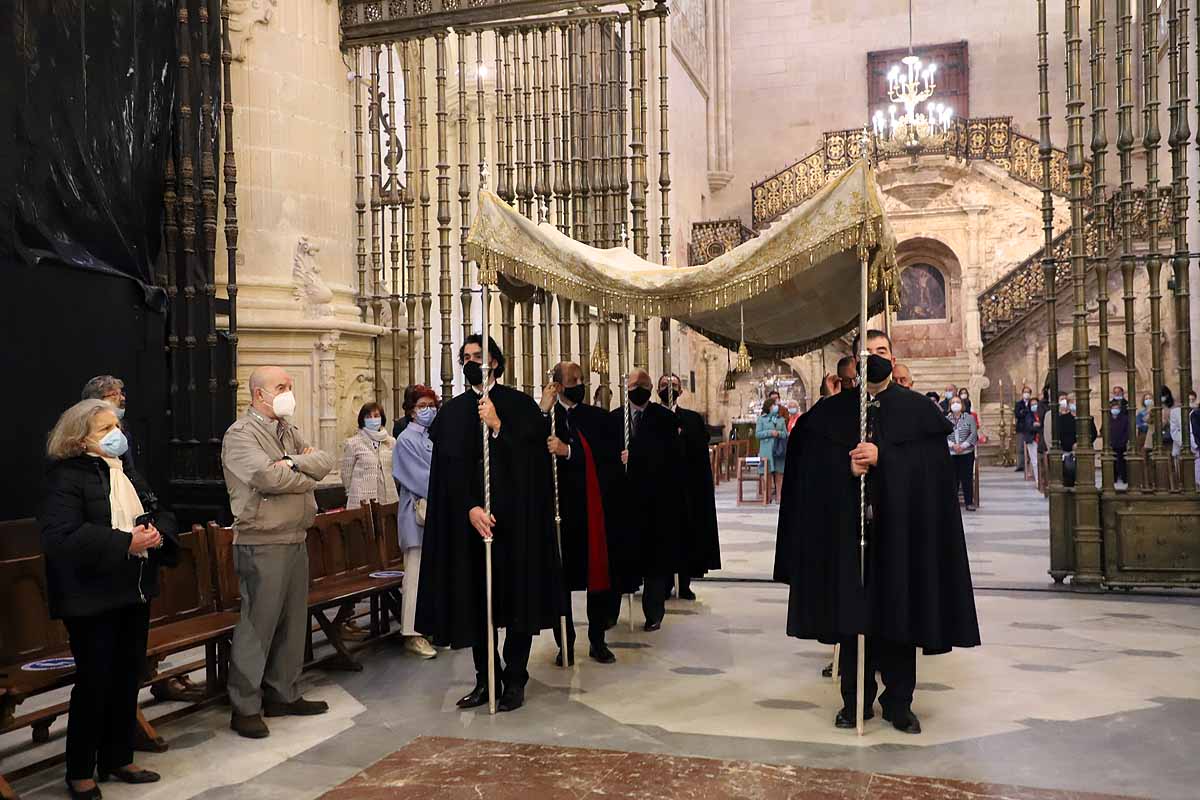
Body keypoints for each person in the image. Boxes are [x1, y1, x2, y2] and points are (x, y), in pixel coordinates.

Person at [774, 330, 979, 735]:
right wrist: (846, 468)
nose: (875, 358)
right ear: (853, 363)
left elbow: (934, 473)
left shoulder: (919, 412)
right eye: (866, 353)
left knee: (901, 614)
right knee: (853, 619)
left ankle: (899, 702)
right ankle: (855, 701)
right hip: (849, 536)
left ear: (893, 356)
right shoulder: (830, 415)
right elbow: (809, 471)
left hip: (903, 535)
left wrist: (886, 458)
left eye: (882, 351)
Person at [40, 399, 180, 798]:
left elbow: (156, 509)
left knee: (127, 676)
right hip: (91, 596)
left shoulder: (126, 470)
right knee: (95, 681)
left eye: (115, 425)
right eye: (104, 429)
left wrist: (156, 533)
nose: (115, 433)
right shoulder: (65, 476)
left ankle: (118, 757)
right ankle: (80, 770)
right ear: (80, 436)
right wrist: (125, 541)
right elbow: (60, 536)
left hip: (134, 589)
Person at [416, 335, 563, 712]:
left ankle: (515, 677)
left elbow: (533, 465)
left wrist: (499, 426)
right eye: (466, 357)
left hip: (516, 523)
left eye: (478, 356)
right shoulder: (452, 413)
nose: (471, 362)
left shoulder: (519, 405)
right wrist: (469, 508)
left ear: (496, 362)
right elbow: (447, 474)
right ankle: (486, 678)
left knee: (516, 600)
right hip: (472, 525)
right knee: (476, 602)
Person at [221, 366, 335, 739]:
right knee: (259, 625)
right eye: (281, 387)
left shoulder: (288, 429)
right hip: (262, 540)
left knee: (292, 622)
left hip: (296, 536)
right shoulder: (240, 435)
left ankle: (282, 692)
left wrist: (292, 464)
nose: (288, 392)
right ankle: (245, 705)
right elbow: (267, 478)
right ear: (259, 395)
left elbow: (324, 461)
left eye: (289, 386)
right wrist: (300, 471)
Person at [541, 362, 627, 665]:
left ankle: (598, 639)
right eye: (574, 380)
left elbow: (608, 458)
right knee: (560, 579)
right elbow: (531, 454)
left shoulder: (598, 418)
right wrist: (543, 412)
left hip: (593, 509)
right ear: (558, 385)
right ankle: (565, 642)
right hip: (559, 510)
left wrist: (571, 451)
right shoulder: (547, 418)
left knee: (597, 577)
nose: (580, 384)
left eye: (582, 379)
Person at [609, 368, 684, 632]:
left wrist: (638, 458)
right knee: (620, 560)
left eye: (644, 384)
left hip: (655, 501)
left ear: (651, 388)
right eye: (633, 384)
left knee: (655, 562)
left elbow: (672, 457)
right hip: (623, 501)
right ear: (625, 388)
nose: (638, 388)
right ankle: (610, 612)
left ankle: (654, 613)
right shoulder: (615, 419)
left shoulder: (664, 418)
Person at [658, 373, 721, 602]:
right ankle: (662, 583)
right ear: (657, 390)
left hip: (686, 488)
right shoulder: (651, 417)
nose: (669, 389)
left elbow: (699, 448)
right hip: (660, 490)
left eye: (673, 385)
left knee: (686, 535)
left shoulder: (691, 419)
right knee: (663, 539)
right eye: (665, 385)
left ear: (681, 390)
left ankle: (684, 583)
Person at [391, 386, 440, 659]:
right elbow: (419, 477)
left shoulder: (432, 436)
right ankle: (411, 633)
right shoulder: (406, 439)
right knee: (415, 575)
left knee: (430, 575)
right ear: (411, 409)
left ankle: (430, 626)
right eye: (422, 405)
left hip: (436, 513)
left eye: (431, 405)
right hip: (416, 514)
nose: (427, 410)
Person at [947, 395, 978, 511]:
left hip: (966, 453)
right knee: (953, 479)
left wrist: (963, 445)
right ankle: (952, 504)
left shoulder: (969, 418)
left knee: (967, 478)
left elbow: (973, 434)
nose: (956, 404)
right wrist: (953, 445)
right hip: (952, 453)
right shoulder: (945, 419)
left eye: (958, 402)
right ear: (950, 406)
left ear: (962, 405)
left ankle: (969, 502)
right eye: (953, 402)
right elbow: (942, 435)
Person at [756, 397, 787, 502]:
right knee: (767, 473)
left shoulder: (781, 419)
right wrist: (769, 432)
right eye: (774, 405)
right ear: (769, 407)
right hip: (767, 450)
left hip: (778, 450)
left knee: (779, 474)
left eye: (777, 405)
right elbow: (758, 434)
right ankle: (767, 496)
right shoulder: (761, 419)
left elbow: (785, 434)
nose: (776, 407)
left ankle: (779, 497)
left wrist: (778, 433)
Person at [1022, 395, 1043, 485]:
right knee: (1035, 461)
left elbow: (1042, 425)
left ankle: (1043, 479)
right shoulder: (1028, 415)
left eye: (1036, 404)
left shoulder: (1041, 414)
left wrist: (1038, 425)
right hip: (1032, 439)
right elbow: (1029, 426)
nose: (1034, 406)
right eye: (1032, 404)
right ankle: (1038, 480)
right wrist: (1036, 426)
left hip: (1041, 439)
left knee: (1042, 460)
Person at [1109, 396, 1131, 486]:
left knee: (1122, 462)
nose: (1115, 410)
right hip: (1111, 443)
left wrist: (1124, 440)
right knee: (1112, 462)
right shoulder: (1108, 418)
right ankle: (1113, 478)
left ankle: (1124, 478)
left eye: (1117, 408)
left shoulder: (1124, 418)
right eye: (1113, 408)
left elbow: (1128, 430)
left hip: (1122, 443)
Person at [1013, 385, 1034, 473]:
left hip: (1030, 428)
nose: (1026, 394)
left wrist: (1024, 412)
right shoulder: (1018, 404)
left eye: (1028, 392)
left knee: (1031, 447)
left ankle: (1030, 464)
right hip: (1021, 428)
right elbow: (1018, 414)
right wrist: (1025, 412)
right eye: (1025, 392)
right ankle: (1020, 465)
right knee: (1020, 448)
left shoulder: (1033, 403)